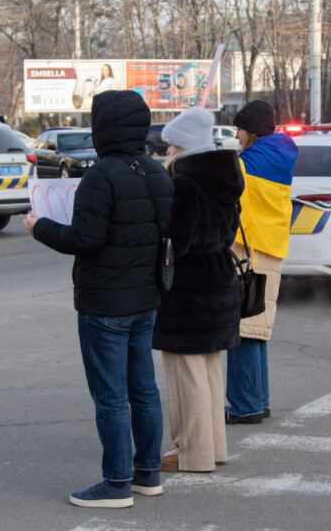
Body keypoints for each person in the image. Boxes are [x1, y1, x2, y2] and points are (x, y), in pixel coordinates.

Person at [23, 90, 174, 508]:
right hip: (145, 299)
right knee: (142, 390)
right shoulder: (157, 172)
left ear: (101, 126)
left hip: (104, 304)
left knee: (110, 395)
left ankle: (115, 483)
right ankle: (147, 474)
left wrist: (41, 227)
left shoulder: (101, 176)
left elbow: (83, 239)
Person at [153, 106, 244, 472]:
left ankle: (193, 453)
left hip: (189, 288)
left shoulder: (186, 183)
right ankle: (214, 448)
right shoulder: (225, 177)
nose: (167, 153)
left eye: (171, 147)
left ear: (184, 148)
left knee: (184, 374)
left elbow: (178, 242)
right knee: (209, 371)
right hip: (220, 278)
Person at [225, 100, 298, 425]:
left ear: (251, 131)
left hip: (250, 250)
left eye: (239, 129)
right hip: (270, 248)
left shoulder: (247, 166)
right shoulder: (277, 157)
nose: (237, 136)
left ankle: (245, 406)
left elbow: (227, 194)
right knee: (257, 329)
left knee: (244, 329)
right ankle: (259, 401)